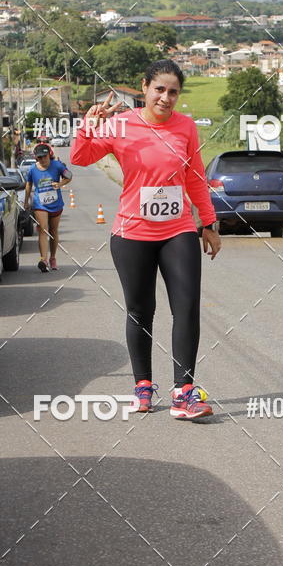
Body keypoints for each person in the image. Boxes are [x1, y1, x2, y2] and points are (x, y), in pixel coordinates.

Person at [71, 59, 221, 422]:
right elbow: (80, 157)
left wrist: (209, 222)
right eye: (160, 89)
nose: (166, 98)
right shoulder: (121, 124)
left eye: (173, 92)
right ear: (144, 87)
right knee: (141, 312)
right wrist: (89, 124)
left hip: (178, 229)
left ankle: (184, 393)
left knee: (186, 306)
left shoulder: (185, 127)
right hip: (132, 232)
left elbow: (195, 177)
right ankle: (142, 387)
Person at [24, 143, 72, 272]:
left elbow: (69, 176)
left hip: (56, 204)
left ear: (49, 155)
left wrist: (60, 183)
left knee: (53, 231)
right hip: (40, 205)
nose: (43, 160)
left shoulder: (57, 165)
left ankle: (53, 258)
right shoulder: (32, 170)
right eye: (40, 158)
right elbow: (28, 184)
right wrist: (26, 201)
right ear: (36, 158)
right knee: (43, 230)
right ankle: (43, 260)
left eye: (45, 157)